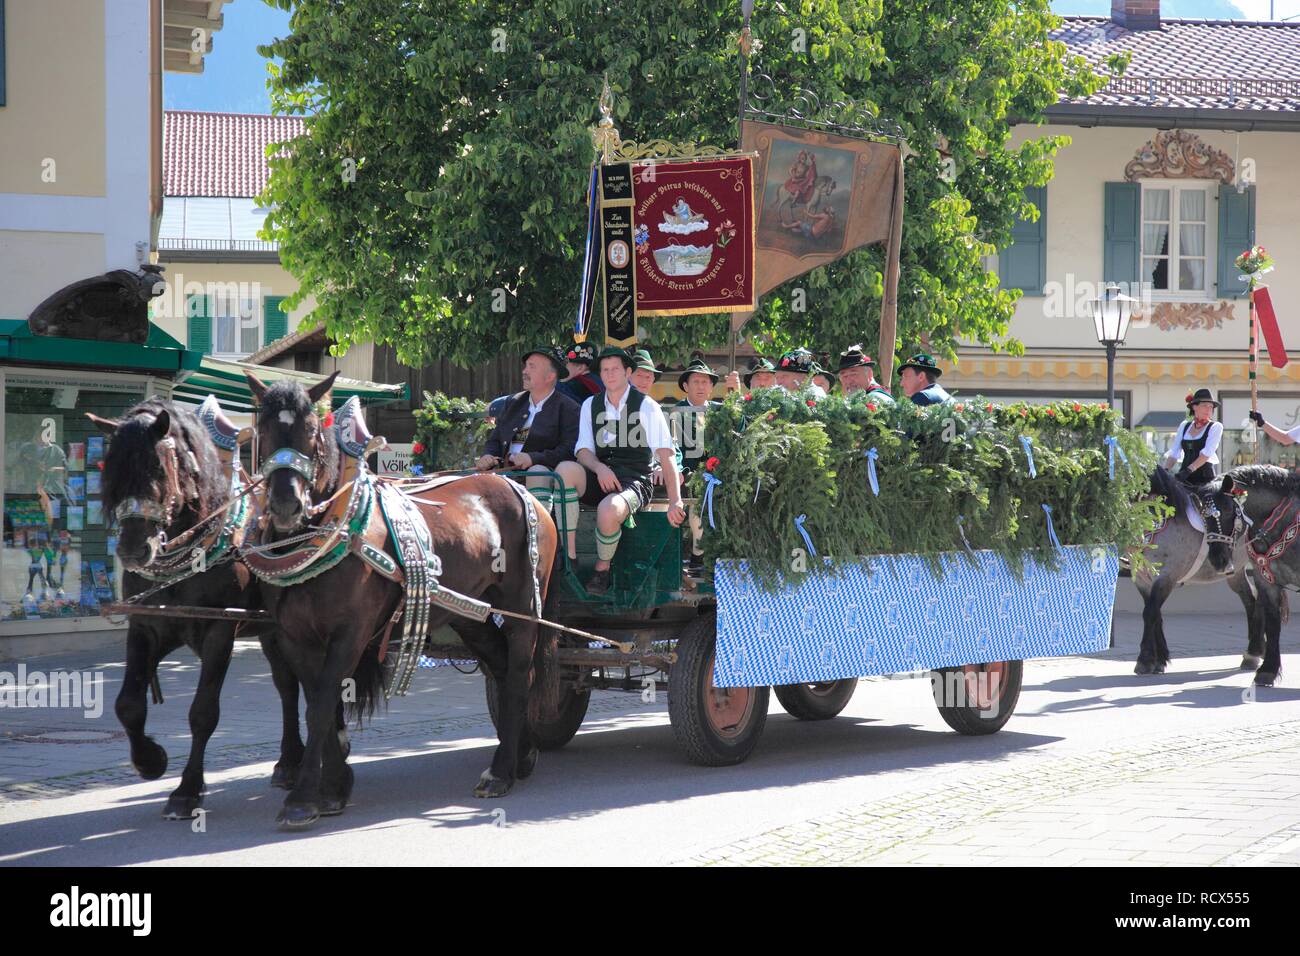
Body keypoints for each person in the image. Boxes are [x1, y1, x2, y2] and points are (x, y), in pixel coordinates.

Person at [575, 346, 685, 594]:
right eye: (605, 370)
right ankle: (568, 555)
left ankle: (601, 570)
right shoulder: (589, 405)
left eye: (615, 369)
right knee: (565, 471)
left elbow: (666, 456)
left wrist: (675, 500)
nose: (609, 374)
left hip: (635, 480)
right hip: (600, 476)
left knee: (609, 509)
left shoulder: (647, 406)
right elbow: (583, 451)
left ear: (627, 372)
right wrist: (599, 468)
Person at [476, 347, 585, 558]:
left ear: (550, 376)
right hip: (506, 472)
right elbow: (496, 440)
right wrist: (487, 456)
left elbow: (569, 451)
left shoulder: (568, 408)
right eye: (526, 366)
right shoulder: (514, 403)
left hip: (542, 476)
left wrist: (533, 458)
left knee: (537, 471)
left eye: (532, 367)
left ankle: (539, 547)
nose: (525, 371)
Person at [673, 357, 722, 572]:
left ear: (711, 387)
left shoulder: (721, 412)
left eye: (705, 382)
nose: (701, 386)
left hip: (719, 475)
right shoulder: (676, 412)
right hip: (687, 476)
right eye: (696, 382)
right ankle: (697, 556)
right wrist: (679, 469)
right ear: (686, 386)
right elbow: (672, 447)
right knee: (699, 501)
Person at [1165, 388, 1223, 487]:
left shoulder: (1215, 427)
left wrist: (1188, 470)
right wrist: (1165, 471)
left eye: (1211, 407)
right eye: (1205, 406)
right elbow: (1174, 452)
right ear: (1194, 407)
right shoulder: (1184, 426)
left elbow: (1207, 453)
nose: (1209, 409)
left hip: (1204, 479)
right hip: (1183, 478)